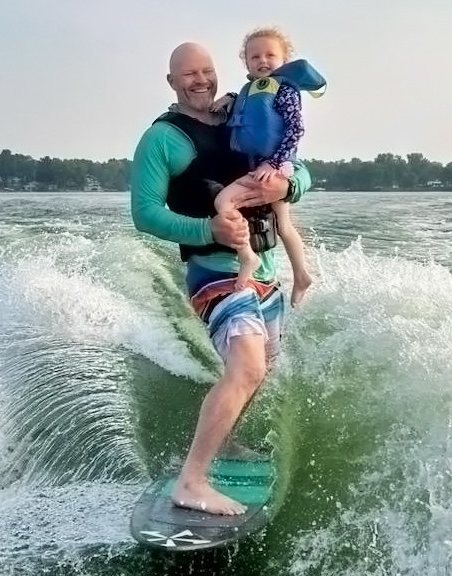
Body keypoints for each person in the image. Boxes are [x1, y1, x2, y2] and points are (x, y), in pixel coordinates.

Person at [131, 42, 311, 515]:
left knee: (260, 370)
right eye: (188, 74)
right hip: (215, 273)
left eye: (206, 71)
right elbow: (144, 214)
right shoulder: (162, 139)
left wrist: (288, 184)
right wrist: (205, 227)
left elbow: (299, 167)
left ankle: (224, 443)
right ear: (172, 82)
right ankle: (191, 481)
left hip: (266, 269)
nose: (200, 80)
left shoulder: (243, 109)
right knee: (247, 366)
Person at [209, 26, 326, 306]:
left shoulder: (285, 90)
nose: (262, 61)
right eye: (255, 56)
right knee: (285, 226)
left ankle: (247, 255)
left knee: (224, 201)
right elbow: (250, 112)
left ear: (284, 60)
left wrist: (274, 164)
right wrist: (230, 99)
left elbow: (295, 129)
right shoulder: (250, 91)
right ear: (246, 62)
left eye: (270, 55)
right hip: (261, 166)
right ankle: (301, 275)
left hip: (272, 168)